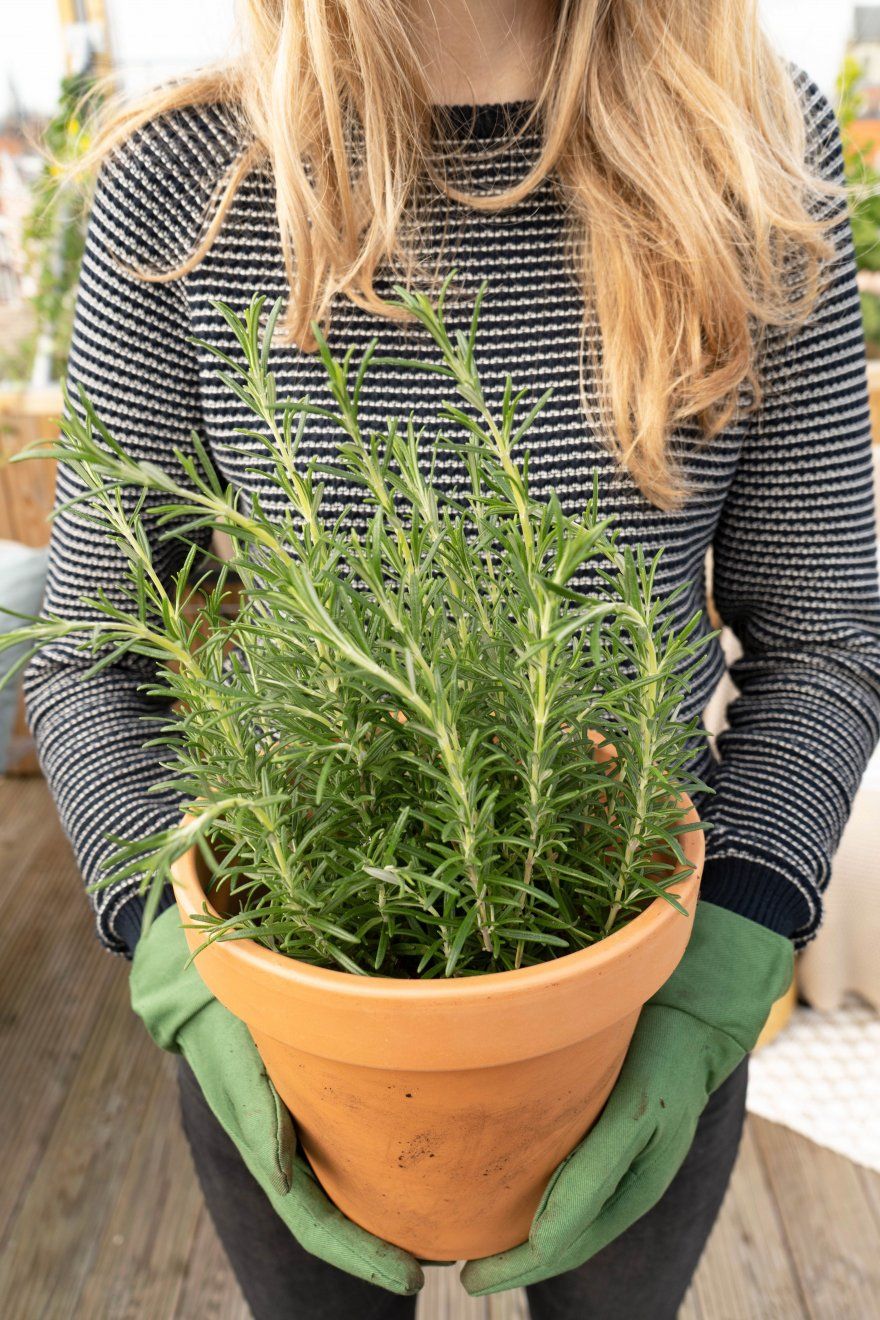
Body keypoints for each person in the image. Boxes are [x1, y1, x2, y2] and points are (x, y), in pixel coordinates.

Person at [24, 1, 880, 1317]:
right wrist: (180, 968)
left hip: (639, 977)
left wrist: (730, 958)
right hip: (291, 988)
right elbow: (89, 653)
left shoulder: (759, 146)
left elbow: (829, 634)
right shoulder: (190, 182)